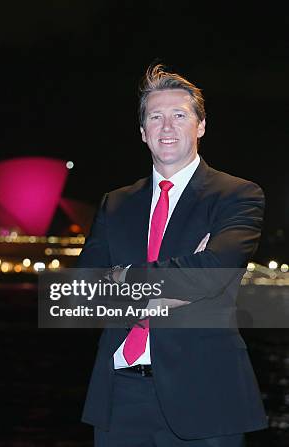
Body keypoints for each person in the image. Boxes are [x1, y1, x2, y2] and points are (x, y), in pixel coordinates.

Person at [76, 63, 268, 446]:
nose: (167, 127)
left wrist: (124, 277)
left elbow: (213, 270)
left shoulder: (237, 195)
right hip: (119, 397)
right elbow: (85, 290)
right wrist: (177, 287)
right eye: (156, 117)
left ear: (200, 127)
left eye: (179, 116)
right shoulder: (115, 204)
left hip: (206, 395)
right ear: (143, 132)